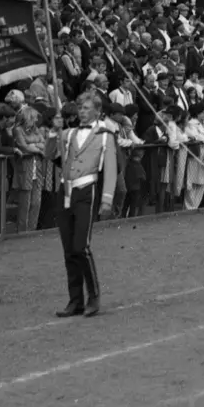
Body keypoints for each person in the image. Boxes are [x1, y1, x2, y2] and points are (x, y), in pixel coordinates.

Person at [56, 93, 116, 318]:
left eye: (86, 108)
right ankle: (75, 300)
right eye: (80, 107)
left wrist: (107, 198)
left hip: (86, 190)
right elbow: (49, 153)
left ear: (97, 111)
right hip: (65, 190)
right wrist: (54, 131)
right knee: (69, 250)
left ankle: (94, 295)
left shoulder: (104, 136)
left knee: (82, 246)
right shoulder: (68, 133)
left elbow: (110, 167)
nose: (81, 111)